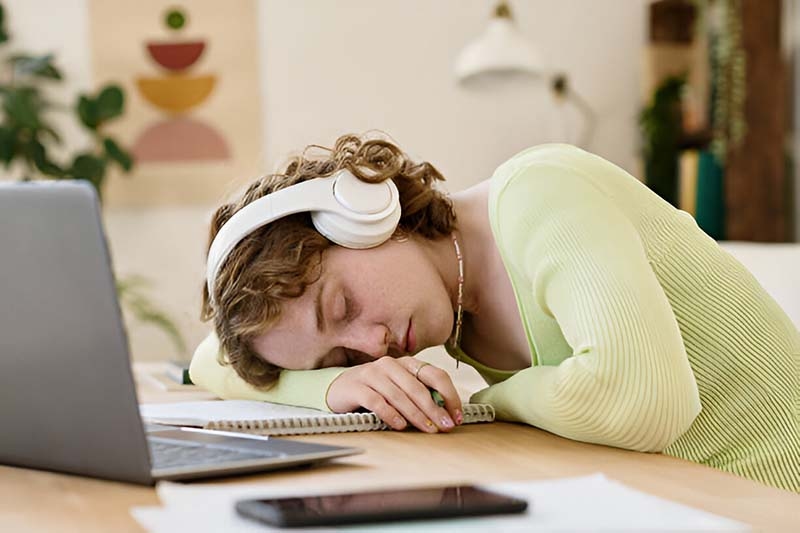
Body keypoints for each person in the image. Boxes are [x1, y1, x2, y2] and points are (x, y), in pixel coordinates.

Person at [192, 133, 800, 493]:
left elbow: (645, 402)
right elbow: (208, 363)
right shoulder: (452, 306)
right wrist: (336, 385)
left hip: (768, 498)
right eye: (342, 351)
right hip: (677, 500)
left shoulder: (541, 193)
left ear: (366, 212)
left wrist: (489, 405)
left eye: (343, 306)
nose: (373, 345)